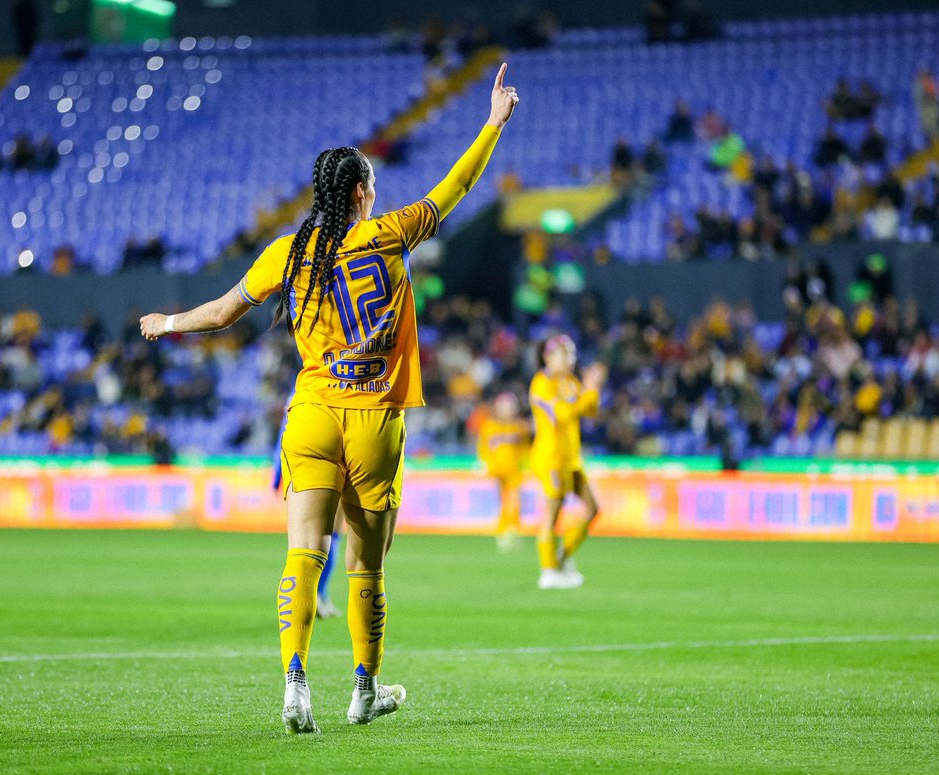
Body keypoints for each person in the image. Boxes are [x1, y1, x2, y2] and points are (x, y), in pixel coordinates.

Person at [140, 63, 519, 734]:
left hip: (309, 414)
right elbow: (456, 187)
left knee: (301, 551)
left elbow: (224, 313)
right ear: (365, 192)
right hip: (373, 418)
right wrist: (491, 123)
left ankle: (293, 685)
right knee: (364, 565)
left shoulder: (288, 252)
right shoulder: (390, 232)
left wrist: (167, 323)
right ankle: (363, 690)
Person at [528, 335, 605, 590]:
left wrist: (593, 386)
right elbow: (562, 414)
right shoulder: (542, 384)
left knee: (593, 509)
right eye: (565, 354)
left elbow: (591, 411)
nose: (570, 359)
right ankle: (548, 571)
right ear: (549, 356)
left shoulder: (570, 382)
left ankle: (562, 557)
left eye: (572, 354)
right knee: (552, 513)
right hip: (550, 458)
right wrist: (590, 391)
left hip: (571, 458)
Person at [273, 397, 342, 618]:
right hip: (324, 460)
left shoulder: (309, 382)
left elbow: (286, 428)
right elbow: (287, 426)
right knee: (320, 534)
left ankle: (321, 595)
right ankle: (315, 595)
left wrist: (277, 470)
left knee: (321, 535)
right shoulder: (317, 384)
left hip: (322, 455)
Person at [477, 391, 531, 551]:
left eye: (510, 407)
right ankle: (503, 532)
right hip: (497, 473)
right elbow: (484, 449)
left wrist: (527, 465)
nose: (507, 410)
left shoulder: (520, 427)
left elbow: (525, 449)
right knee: (502, 503)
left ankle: (513, 531)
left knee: (515, 503)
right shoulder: (489, 427)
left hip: (515, 472)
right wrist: (488, 465)